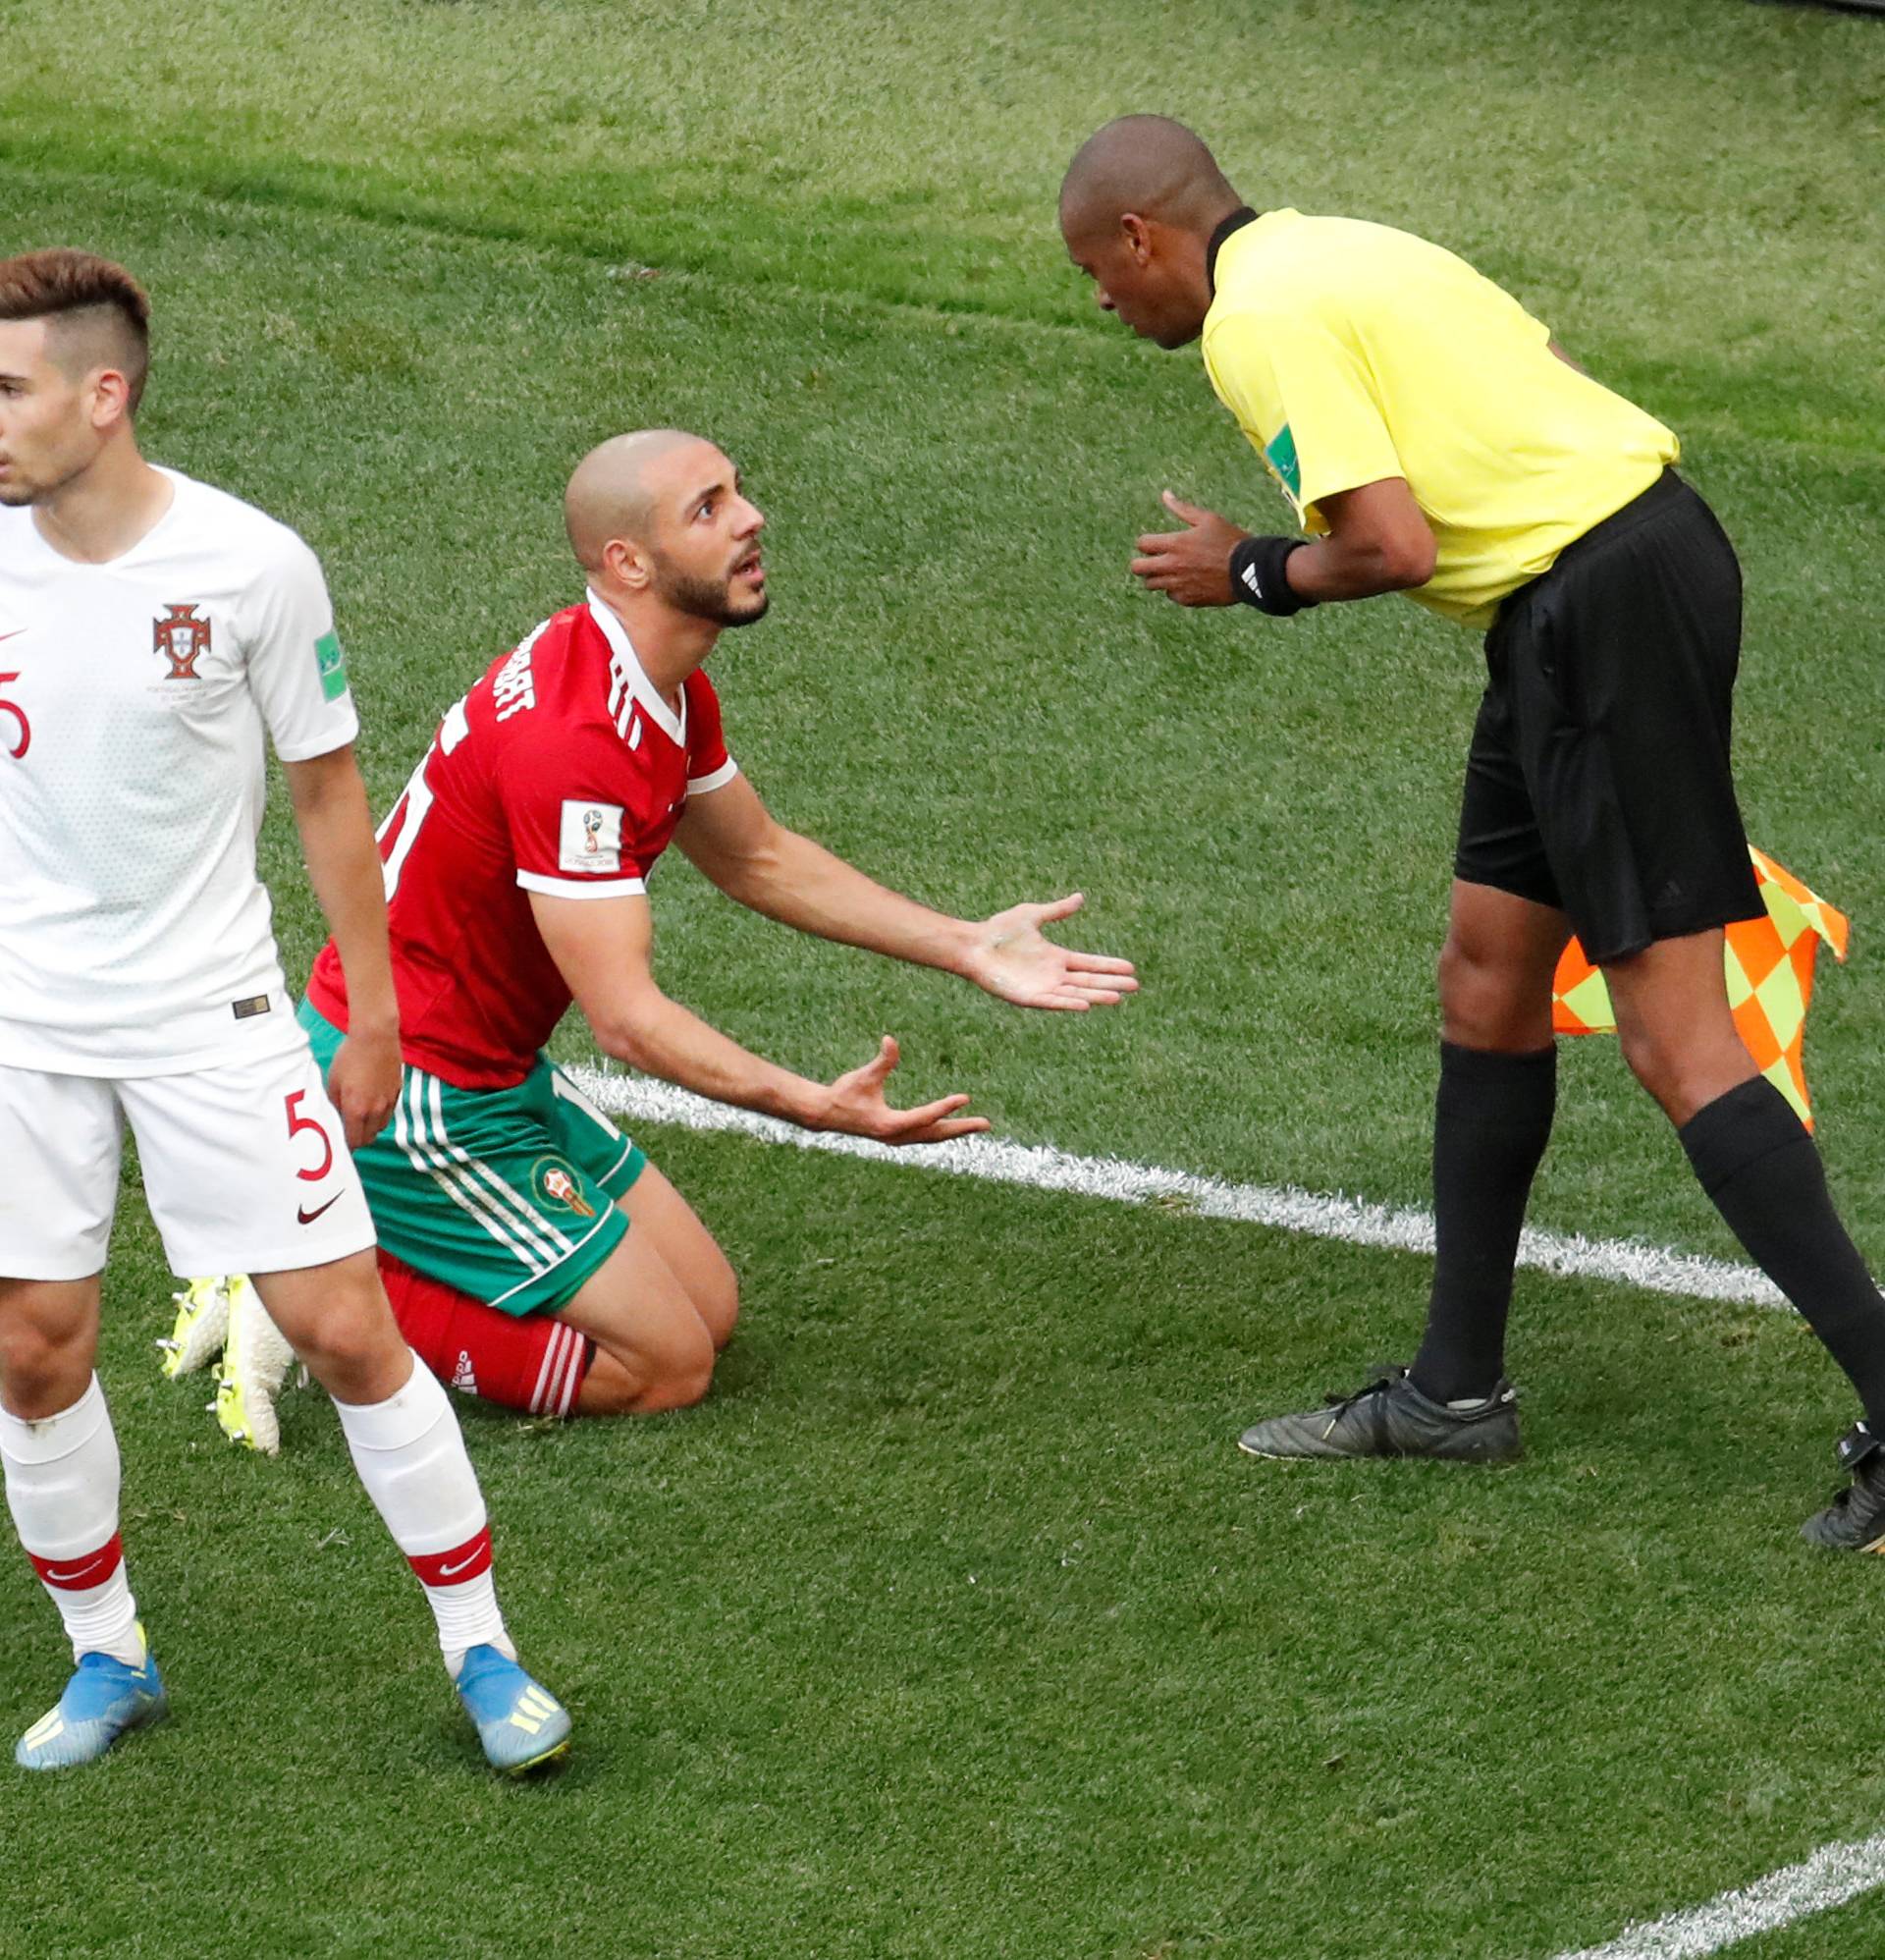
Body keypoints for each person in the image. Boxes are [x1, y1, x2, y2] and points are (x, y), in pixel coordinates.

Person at [1058, 116, 1885, 1547]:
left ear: (1142, 237)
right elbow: (1550, 373)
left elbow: (1392, 545)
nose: (1104, 302)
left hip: (1592, 611)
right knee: (1488, 979)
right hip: (1598, 582)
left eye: (1098, 273)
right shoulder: (1345, 244)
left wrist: (1247, 568)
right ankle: (1455, 1392)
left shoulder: (1254, 320)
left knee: (1679, 1043)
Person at [180, 426, 1136, 1442]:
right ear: (628, 561)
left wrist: (966, 943)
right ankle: (302, 1288)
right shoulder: (575, 743)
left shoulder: (651, 680)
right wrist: (811, 1105)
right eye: (709, 508)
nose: (751, 518)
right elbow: (627, 1022)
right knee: (664, 1365)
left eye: (738, 492)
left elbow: (755, 856)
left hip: (491, 1068)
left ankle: (328, 1245)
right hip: (414, 1093)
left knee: (709, 1309)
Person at [0, 249, 569, 1772]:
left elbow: (326, 789)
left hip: (213, 1019)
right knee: (35, 1353)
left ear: (101, 394)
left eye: (6, 389)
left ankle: (484, 1653)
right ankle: (106, 1655)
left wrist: (369, 1014)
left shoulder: (251, 565)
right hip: (22, 1030)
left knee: (341, 1329)